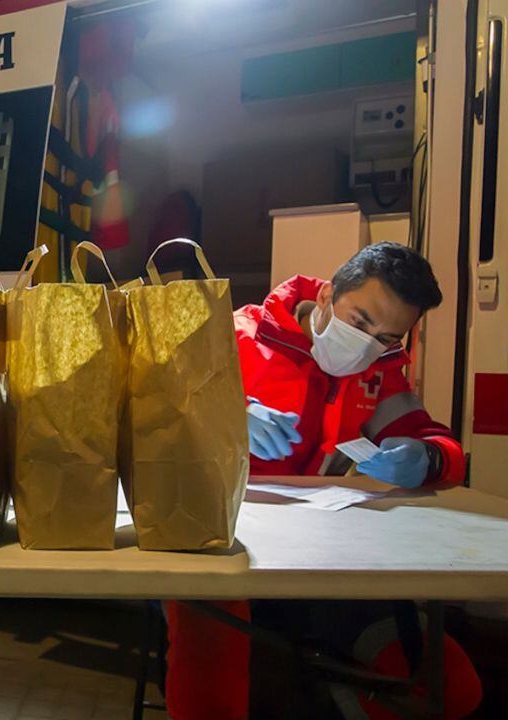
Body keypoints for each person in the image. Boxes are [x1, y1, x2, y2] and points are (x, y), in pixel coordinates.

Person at [165, 243, 482, 719]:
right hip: (213, 544)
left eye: (388, 336)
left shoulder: (380, 374)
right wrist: (227, 415)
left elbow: (436, 442)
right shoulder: (234, 335)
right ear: (330, 294)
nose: (369, 344)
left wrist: (427, 459)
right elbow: (155, 415)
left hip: (320, 560)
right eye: (360, 323)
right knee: (214, 678)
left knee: (451, 686)